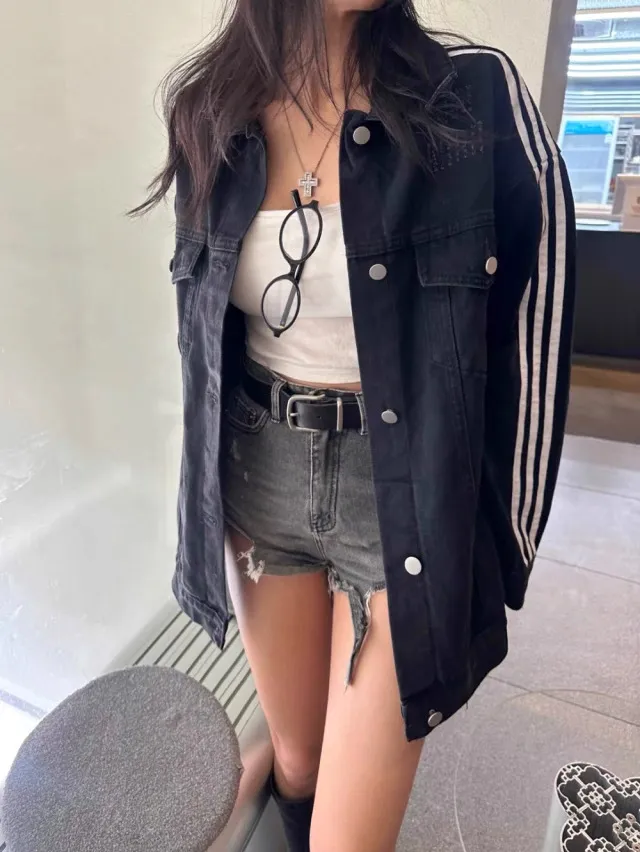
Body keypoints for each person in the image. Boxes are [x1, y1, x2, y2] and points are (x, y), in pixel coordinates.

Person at [135, 1, 576, 849]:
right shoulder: (207, 106)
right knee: (299, 762)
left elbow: (535, 333)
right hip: (261, 476)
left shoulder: (475, 97)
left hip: (405, 488)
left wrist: (497, 544)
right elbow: (202, 343)